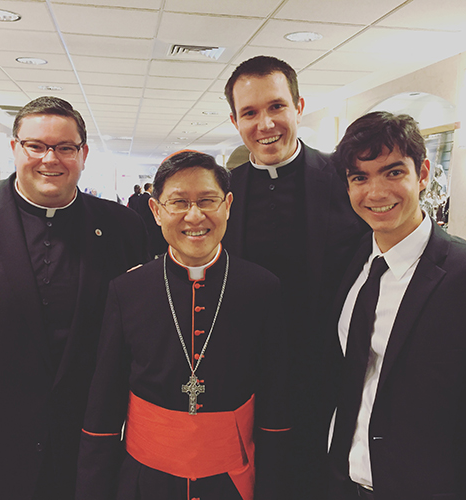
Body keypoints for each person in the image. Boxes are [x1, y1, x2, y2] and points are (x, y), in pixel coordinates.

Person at [76, 151, 292, 500]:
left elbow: (275, 398)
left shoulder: (263, 288)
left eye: (208, 200)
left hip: (233, 482)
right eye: (178, 202)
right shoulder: (127, 290)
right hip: (144, 481)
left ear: (228, 205)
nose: (195, 216)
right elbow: (104, 402)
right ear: (156, 211)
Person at [0, 96, 148, 500]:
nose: (51, 159)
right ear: (15, 148)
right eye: (36, 146)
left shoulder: (122, 227)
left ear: (83, 154)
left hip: (83, 440)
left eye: (65, 148)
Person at [223, 55, 369, 498]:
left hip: (329, 377)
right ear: (234, 120)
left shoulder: (346, 181)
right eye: (249, 112)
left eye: (276, 107)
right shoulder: (224, 190)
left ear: (298, 106)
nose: (265, 123)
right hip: (246, 377)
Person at [327, 111, 466, 500]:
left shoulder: (458, 273)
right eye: (360, 177)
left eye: (392, 172)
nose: (375, 192)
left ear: (422, 174)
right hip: (341, 480)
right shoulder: (352, 262)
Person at [138, 181, 168, 257]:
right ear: (150, 188)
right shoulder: (149, 199)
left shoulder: (138, 198)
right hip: (151, 223)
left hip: (142, 223)